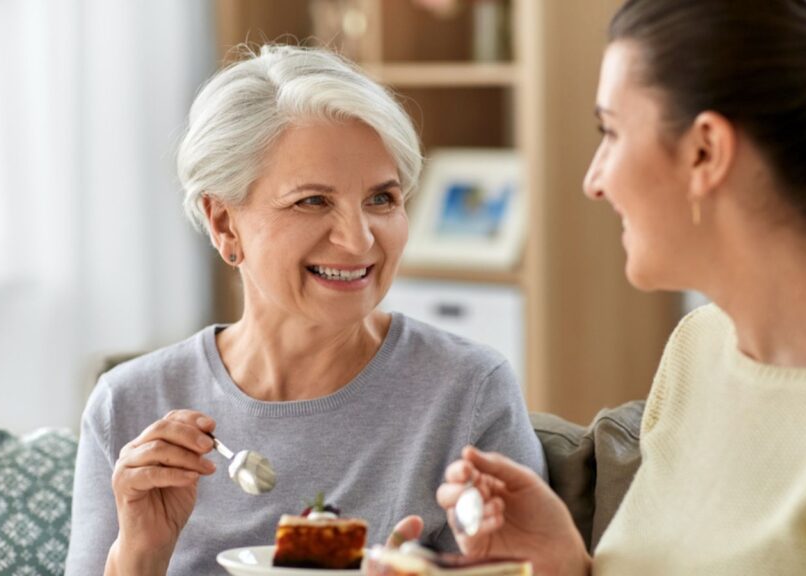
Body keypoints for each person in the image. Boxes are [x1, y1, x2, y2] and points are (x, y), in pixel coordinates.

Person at [398, 0, 806, 574]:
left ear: (706, 150)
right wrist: (566, 565)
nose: (593, 179)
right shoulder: (699, 348)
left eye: (611, 132)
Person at [64, 45, 546, 576]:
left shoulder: (468, 392)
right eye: (312, 201)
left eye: (382, 199)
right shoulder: (128, 405)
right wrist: (140, 555)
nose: (359, 239)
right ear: (224, 223)